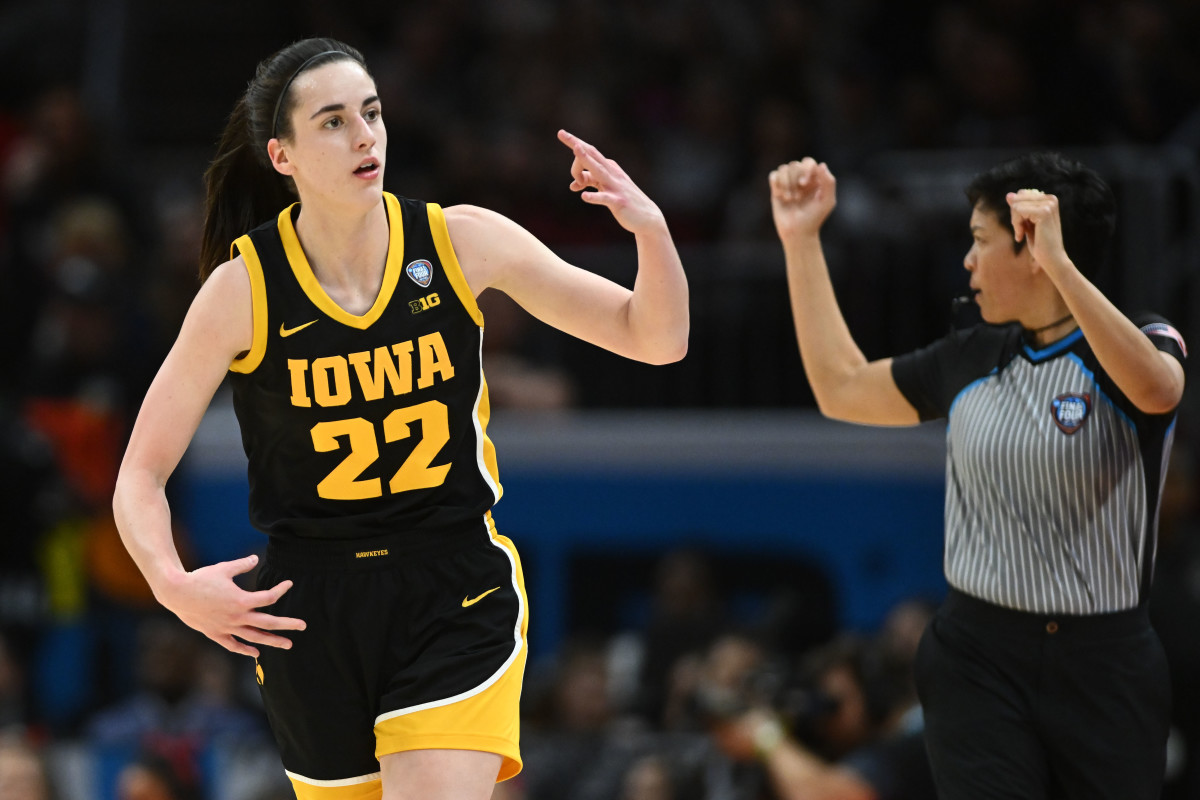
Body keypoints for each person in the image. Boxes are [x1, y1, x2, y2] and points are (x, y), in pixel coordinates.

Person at [112, 37, 688, 800]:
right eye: (333, 121)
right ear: (281, 156)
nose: (364, 135)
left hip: (452, 583)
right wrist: (170, 583)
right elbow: (139, 476)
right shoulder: (241, 291)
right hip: (310, 606)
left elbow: (656, 339)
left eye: (372, 113)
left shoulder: (459, 240)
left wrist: (650, 227)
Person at [768, 151, 1186, 800]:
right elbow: (842, 388)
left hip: (1106, 667)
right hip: (977, 656)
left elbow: (1159, 392)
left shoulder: (1142, 340)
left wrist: (1062, 266)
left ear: (1032, 247)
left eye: (980, 240)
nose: (967, 261)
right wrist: (801, 241)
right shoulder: (972, 355)